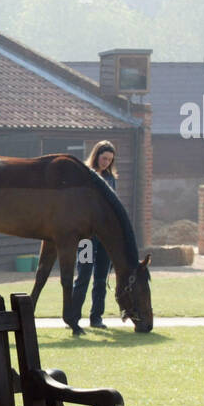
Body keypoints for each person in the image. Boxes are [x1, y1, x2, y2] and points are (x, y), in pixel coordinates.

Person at [69, 141, 117, 330]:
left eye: (110, 160)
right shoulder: (84, 176)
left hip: (104, 238)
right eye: (104, 158)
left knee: (101, 278)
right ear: (96, 155)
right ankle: (73, 316)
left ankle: (96, 317)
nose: (106, 162)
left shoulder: (112, 179)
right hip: (86, 239)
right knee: (83, 274)